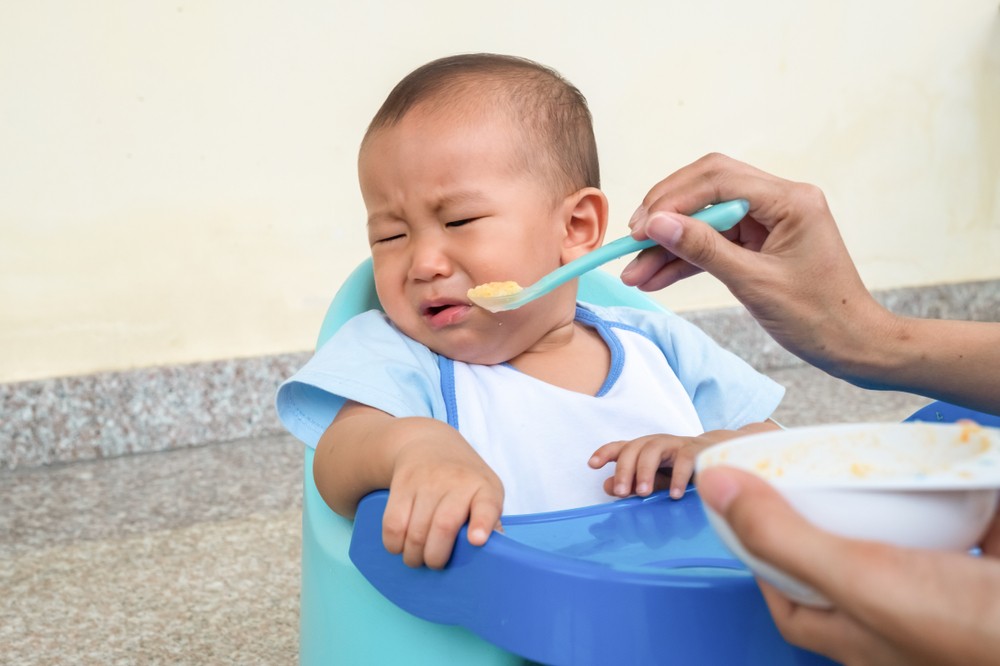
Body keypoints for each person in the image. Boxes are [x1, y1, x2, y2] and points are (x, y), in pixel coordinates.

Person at [276, 56, 783, 570]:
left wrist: (720, 454)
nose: (423, 264)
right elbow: (337, 461)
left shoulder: (663, 346)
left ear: (575, 229)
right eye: (390, 236)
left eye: (459, 220)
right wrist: (416, 447)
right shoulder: (397, 353)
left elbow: (783, 453)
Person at [624, 152, 1000, 664]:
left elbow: (772, 442)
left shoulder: (653, 342)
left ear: (577, 224)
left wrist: (722, 447)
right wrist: (869, 339)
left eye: (472, 221)